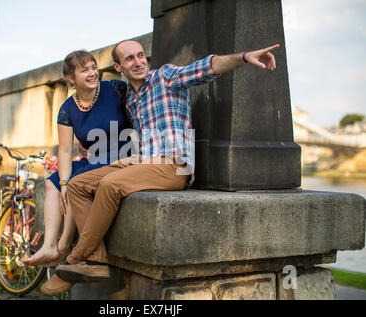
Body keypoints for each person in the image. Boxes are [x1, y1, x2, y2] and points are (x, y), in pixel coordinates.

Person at [53, 39, 280, 288]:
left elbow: (207, 67)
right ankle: (96, 261)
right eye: (130, 59)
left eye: (141, 55)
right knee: (77, 184)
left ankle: (76, 259)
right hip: (143, 161)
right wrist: (89, 147)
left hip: (174, 164)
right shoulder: (129, 98)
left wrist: (245, 56)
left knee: (109, 185)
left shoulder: (166, 77)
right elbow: (113, 127)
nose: (138, 62)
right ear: (118, 67)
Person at [21, 50, 133, 295]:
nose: (93, 73)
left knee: (76, 183)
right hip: (93, 159)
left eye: (94, 67)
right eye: (85, 70)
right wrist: (62, 183)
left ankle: (63, 248)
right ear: (71, 78)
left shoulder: (115, 89)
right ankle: (50, 244)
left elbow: (139, 110)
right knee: (53, 184)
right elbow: (63, 151)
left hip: (120, 159)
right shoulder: (67, 109)